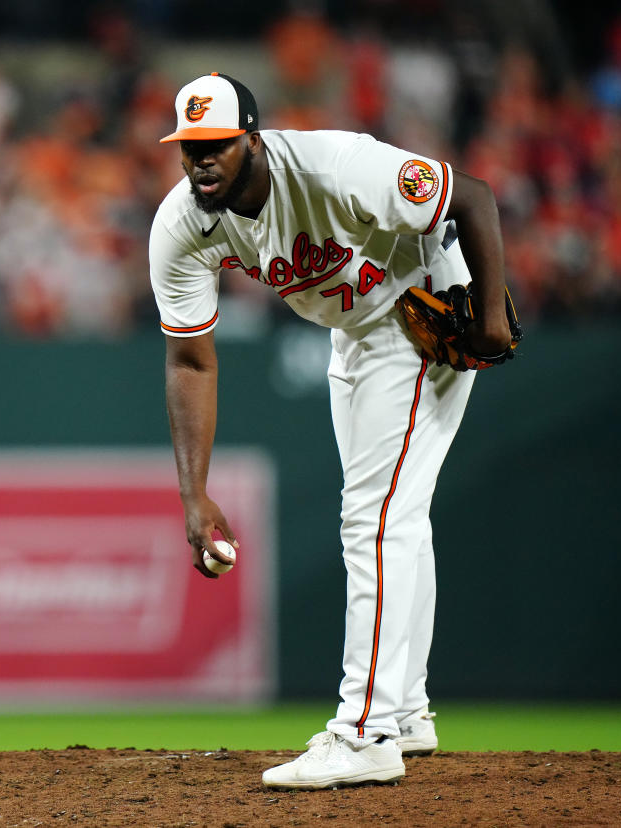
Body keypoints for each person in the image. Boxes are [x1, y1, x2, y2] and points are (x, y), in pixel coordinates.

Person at [148, 73, 512, 790]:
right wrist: (195, 495)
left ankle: (365, 731)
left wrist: (492, 311)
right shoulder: (183, 223)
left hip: (423, 306)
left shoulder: (332, 164)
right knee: (395, 517)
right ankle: (405, 713)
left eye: (216, 144)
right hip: (354, 333)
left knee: (373, 520)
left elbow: (471, 194)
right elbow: (190, 360)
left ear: (252, 138)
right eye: (190, 147)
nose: (201, 161)